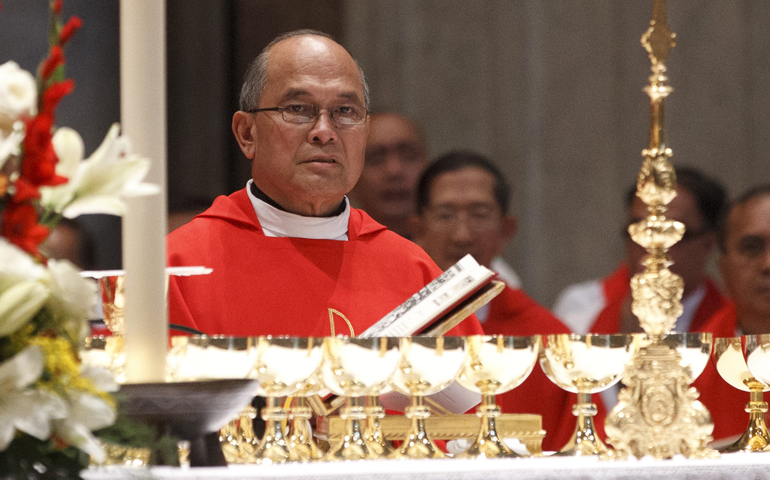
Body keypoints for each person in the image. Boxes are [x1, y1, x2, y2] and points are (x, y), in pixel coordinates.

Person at [166, 30, 482, 339]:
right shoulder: (180, 267)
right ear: (247, 134)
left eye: (345, 111)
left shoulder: (413, 271)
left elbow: (472, 387)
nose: (324, 131)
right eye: (298, 109)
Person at [552, 167, 741, 441]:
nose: (649, 247)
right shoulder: (581, 311)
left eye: (669, 235)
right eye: (639, 230)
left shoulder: (734, 326)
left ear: (708, 243)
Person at [410, 151, 573, 452]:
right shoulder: (387, 335)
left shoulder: (550, 339)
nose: (462, 235)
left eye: (479, 214)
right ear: (418, 228)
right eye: (445, 215)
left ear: (506, 230)